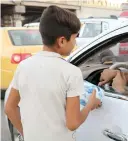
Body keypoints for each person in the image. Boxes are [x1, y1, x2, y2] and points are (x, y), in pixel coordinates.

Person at [5, 5, 101, 141]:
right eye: (74, 38)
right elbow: (72, 123)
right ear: (62, 41)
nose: (75, 43)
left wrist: (25, 133)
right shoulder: (71, 72)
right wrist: (90, 105)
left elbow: (9, 107)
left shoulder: (24, 66)